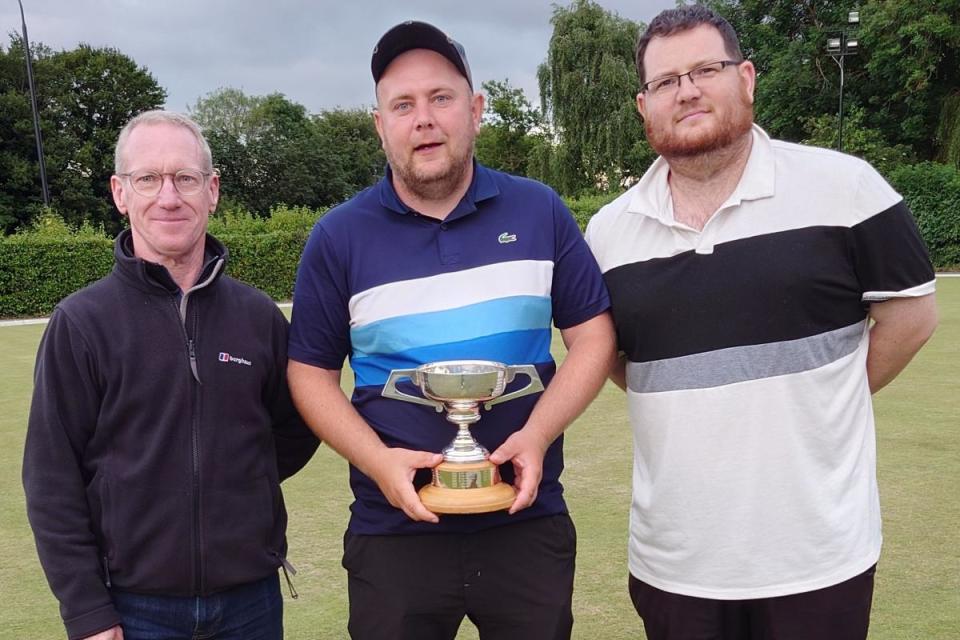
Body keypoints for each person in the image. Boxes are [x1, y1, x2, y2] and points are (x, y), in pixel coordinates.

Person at [584, 6, 939, 640]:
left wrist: (821, 397)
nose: (687, 90)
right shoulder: (608, 233)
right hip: (675, 565)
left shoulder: (849, 189)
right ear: (645, 105)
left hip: (820, 559)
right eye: (666, 81)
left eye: (705, 69)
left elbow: (912, 319)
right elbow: (614, 360)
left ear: (745, 77)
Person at [287, 20, 616, 640]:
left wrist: (538, 435)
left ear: (475, 109)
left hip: (525, 518)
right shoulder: (338, 236)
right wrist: (378, 462)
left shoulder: (540, 210)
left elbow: (593, 335)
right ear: (381, 124)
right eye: (402, 105)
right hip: (394, 531)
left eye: (441, 98)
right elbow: (309, 375)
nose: (424, 119)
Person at [22, 110, 319, 640]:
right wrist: (88, 612)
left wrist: (236, 484)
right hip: (133, 609)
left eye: (185, 178)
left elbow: (295, 429)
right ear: (120, 192)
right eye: (148, 179)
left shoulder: (258, 319)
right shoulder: (81, 323)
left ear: (212, 191)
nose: (168, 197)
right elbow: (51, 478)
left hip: (251, 602)